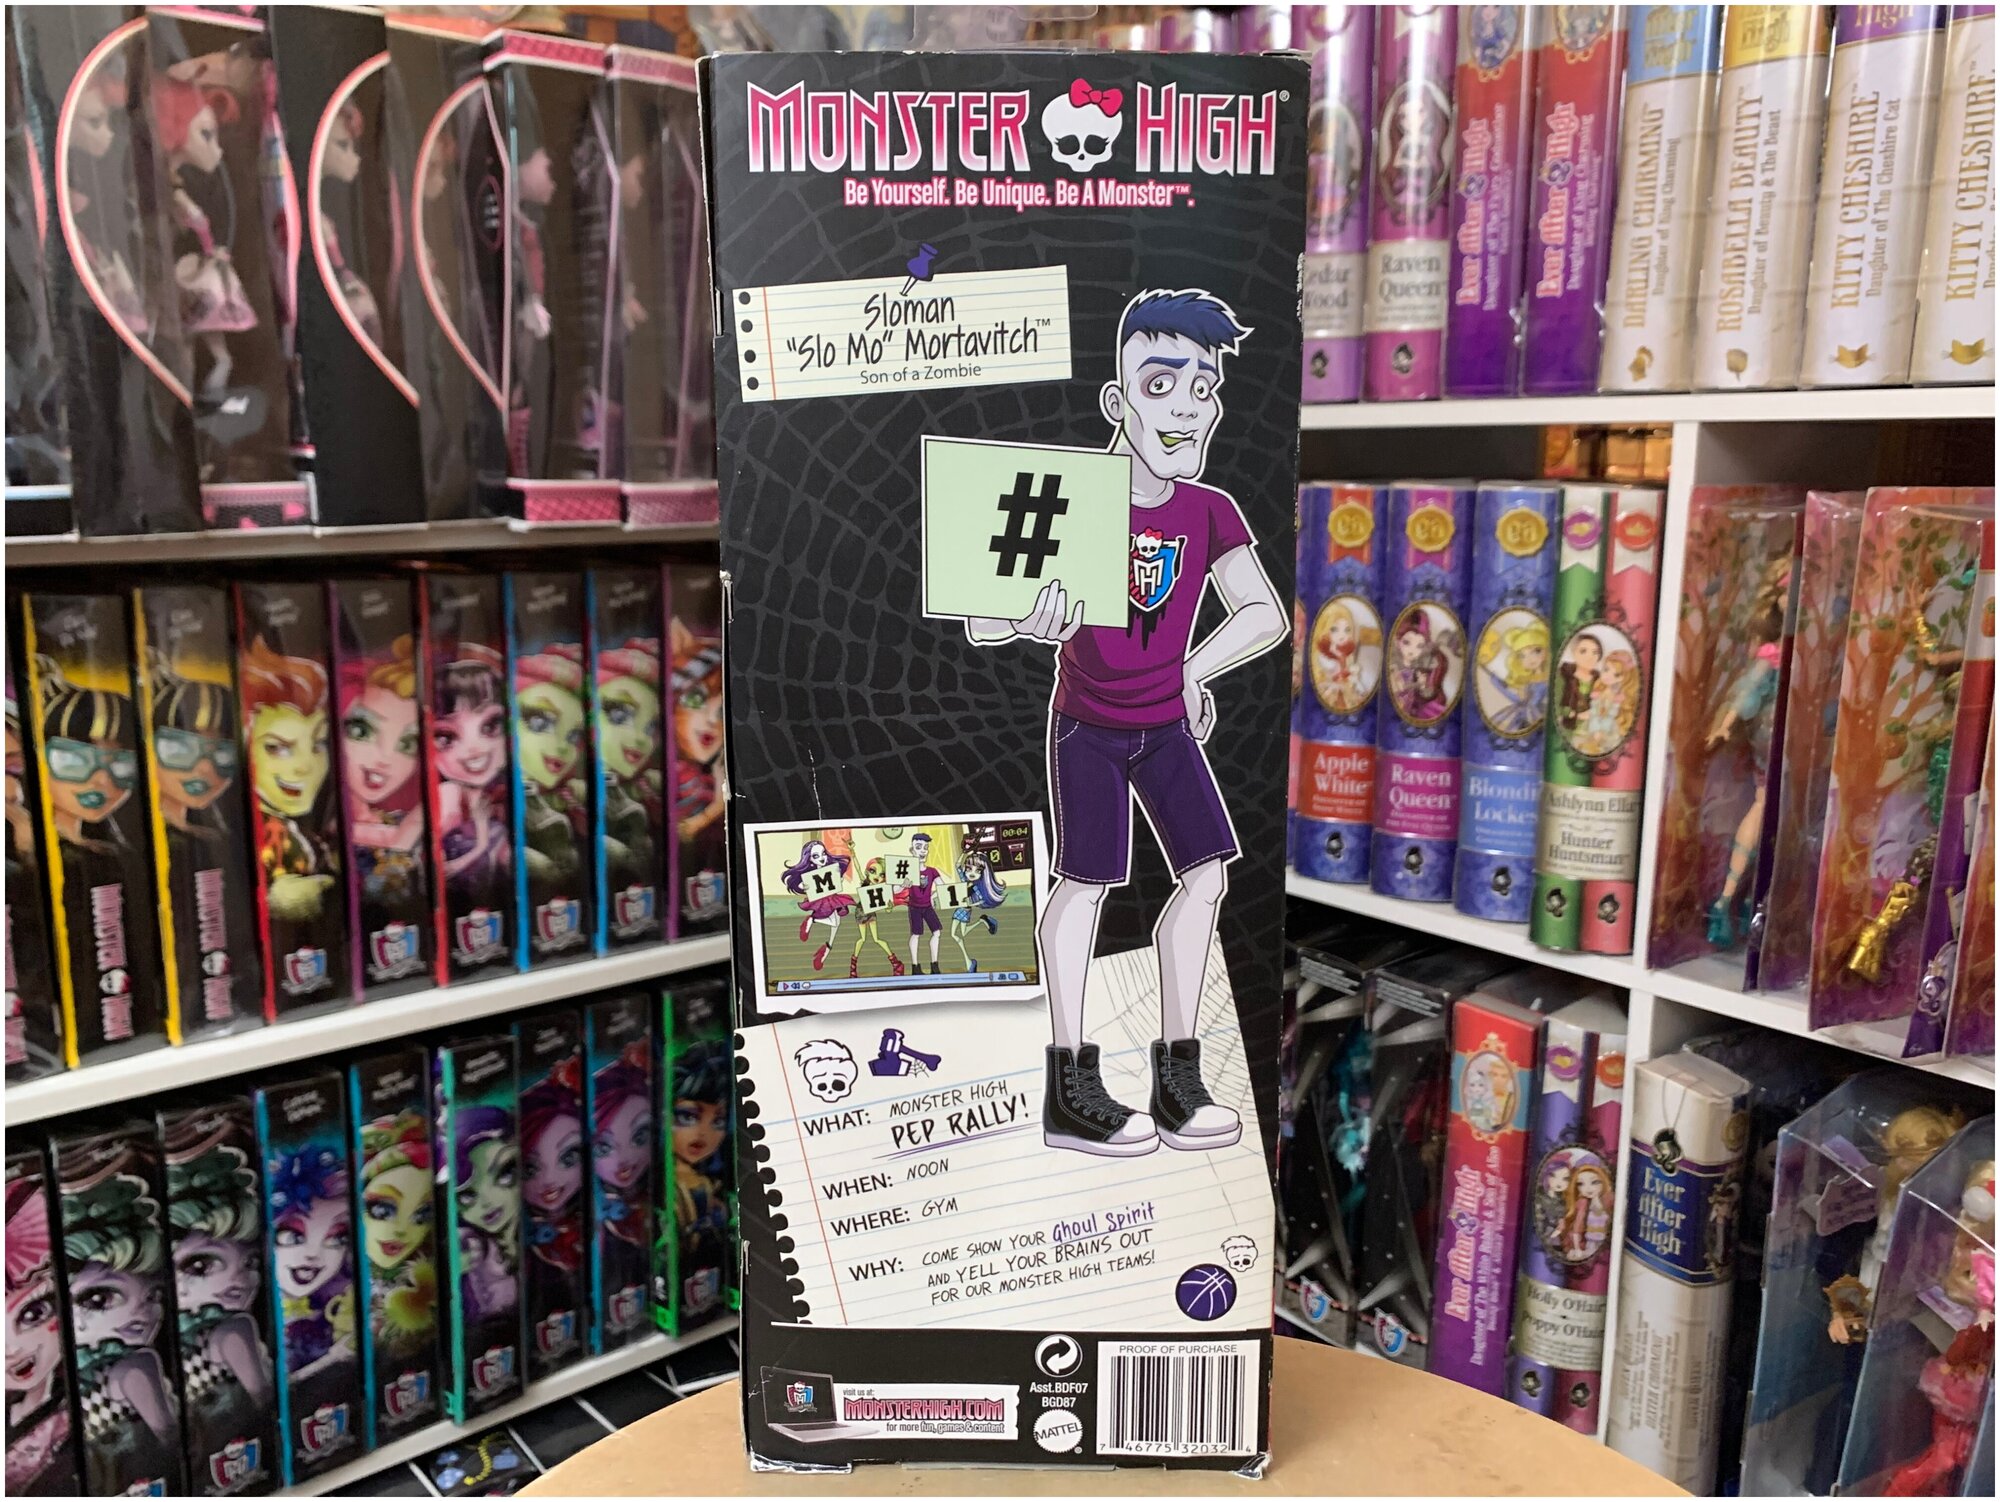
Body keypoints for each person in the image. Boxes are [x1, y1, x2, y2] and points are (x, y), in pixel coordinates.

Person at [968, 289, 1287, 1157]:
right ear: (1117, 400)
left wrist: (1191, 669)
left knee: (1208, 876)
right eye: (1160, 384)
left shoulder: (1209, 509)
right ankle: (1070, 1087)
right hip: (1088, 726)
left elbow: (1264, 614)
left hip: (1166, 724)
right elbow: (982, 617)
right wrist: (1025, 618)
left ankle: (1177, 1083)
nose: (1186, 407)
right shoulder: (1073, 498)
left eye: (1204, 388)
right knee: (1085, 885)